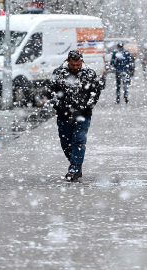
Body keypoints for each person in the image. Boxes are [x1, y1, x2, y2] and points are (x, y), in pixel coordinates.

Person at [48, 50, 103, 181]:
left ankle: (74, 168)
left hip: (82, 115)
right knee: (66, 144)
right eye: (73, 64)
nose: (75, 67)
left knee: (78, 142)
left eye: (78, 64)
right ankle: (76, 163)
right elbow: (51, 91)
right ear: (68, 61)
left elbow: (95, 92)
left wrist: (87, 107)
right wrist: (58, 106)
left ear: (81, 61)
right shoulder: (59, 73)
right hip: (64, 115)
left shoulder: (89, 74)